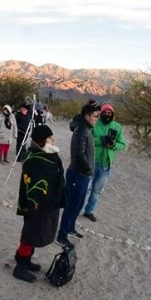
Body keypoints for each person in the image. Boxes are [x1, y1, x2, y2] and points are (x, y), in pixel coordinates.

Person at [13, 125, 65, 282]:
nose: (53, 140)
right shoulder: (33, 160)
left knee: (37, 231)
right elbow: (33, 186)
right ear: (42, 140)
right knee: (30, 233)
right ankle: (20, 266)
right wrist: (35, 205)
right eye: (49, 138)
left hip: (47, 202)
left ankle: (26, 260)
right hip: (35, 203)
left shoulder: (48, 154)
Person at [57, 102, 100, 246]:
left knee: (78, 204)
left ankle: (70, 228)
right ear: (87, 116)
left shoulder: (85, 128)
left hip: (83, 174)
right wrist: (88, 170)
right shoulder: (81, 130)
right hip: (77, 173)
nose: (97, 119)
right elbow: (78, 154)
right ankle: (61, 236)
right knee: (71, 205)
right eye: (95, 116)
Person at [82, 103, 126, 222]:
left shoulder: (117, 127)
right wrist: (101, 140)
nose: (107, 115)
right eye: (105, 113)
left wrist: (113, 145)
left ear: (113, 114)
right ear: (101, 113)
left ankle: (89, 211)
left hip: (106, 165)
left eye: (109, 113)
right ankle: (77, 209)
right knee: (84, 188)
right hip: (92, 161)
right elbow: (87, 138)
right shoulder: (95, 124)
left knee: (97, 191)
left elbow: (123, 144)